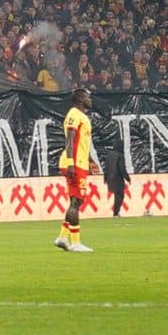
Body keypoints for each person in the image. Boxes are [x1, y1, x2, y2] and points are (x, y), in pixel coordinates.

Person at [55, 86, 95, 254]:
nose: (89, 99)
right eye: (87, 96)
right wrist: (71, 162)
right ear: (80, 99)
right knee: (76, 201)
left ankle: (63, 238)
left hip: (80, 163)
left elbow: (83, 143)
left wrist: (91, 161)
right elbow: (70, 140)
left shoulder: (82, 116)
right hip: (74, 163)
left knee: (76, 201)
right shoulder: (74, 114)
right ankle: (75, 242)